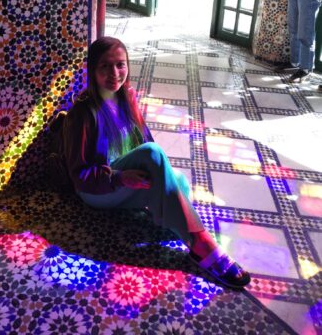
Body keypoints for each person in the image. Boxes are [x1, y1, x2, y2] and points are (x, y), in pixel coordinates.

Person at [63, 36, 251, 289]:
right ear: (92, 70)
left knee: (180, 183)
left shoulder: (127, 97)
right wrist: (120, 178)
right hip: (97, 191)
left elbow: (143, 138)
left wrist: (157, 175)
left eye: (120, 64)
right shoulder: (83, 114)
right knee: (155, 158)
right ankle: (202, 244)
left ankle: (173, 219)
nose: (114, 74)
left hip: (124, 180)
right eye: (104, 66)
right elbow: (79, 177)